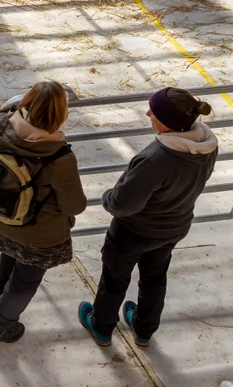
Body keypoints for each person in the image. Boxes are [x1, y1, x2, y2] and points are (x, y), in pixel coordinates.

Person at [79, 87, 218, 346]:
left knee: (114, 278)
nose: (147, 114)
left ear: (170, 122)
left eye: (153, 112)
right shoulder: (207, 146)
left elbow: (123, 204)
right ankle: (144, 329)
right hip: (174, 227)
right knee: (155, 277)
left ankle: (101, 325)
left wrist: (107, 196)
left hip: (134, 233)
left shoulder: (156, 158)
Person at [0, 81, 87, 345]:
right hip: (42, 234)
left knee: (8, 257)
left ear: (25, 102)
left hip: (4, 216)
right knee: (24, 283)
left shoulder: (1, 125)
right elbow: (75, 206)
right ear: (61, 114)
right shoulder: (60, 158)